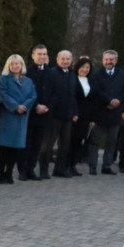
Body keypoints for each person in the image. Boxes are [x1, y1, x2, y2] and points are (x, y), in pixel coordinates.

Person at [0, 54, 36, 184]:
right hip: (8, 116)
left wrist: (24, 106)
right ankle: (1, 174)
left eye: (17, 63)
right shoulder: (4, 79)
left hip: (21, 117)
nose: (15, 66)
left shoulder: (28, 81)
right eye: (12, 64)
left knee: (15, 147)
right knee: (4, 147)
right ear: (9, 66)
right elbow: (2, 94)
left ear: (22, 65)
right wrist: (15, 106)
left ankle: (9, 173)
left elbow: (33, 95)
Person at [87, 50, 124, 175]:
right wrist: (109, 100)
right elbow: (95, 91)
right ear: (102, 60)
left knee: (112, 142)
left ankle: (107, 166)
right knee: (94, 142)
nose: (109, 61)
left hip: (115, 113)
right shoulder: (95, 74)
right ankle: (93, 166)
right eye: (106, 59)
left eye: (111, 59)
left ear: (116, 60)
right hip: (100, 112)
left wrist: (117, 101)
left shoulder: (123, 74)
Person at [39, 50, 79, 178]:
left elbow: (74, 95)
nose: (65, 61)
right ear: (57, 60)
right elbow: (47, 93)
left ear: (71, 60)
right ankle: (43, 170)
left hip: (68, 115)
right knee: (47, 145)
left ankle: (60, 169)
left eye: (68, 59)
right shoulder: (51, 73)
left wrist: (75, 112)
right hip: (53, 115)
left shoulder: (73, 74)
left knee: (65, 144)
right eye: (63, 59)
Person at [23, 45, 52, 181]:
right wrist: (35, 106)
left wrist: (47, 106)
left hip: (45, 113)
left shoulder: (50, 72)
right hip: (30, 113)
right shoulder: (27, 72)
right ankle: (22, 170)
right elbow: (24, 92)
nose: (42, 57)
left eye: (44, 54)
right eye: (39, 54)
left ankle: (31, 169)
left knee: (37, 144)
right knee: (27, 143)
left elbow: (55, 92)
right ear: (33, 56)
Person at [68, 56, 94, 176]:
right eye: (83, 67)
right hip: (74, 115)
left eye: (87, 67)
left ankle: (73, 165)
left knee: (79, 141)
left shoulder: (90, 80)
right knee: (70, 141)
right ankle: (66, 165)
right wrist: (74, 112)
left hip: (86, 116)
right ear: (77, 67)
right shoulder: (72, 79)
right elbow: (71, 97)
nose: (85, 69)